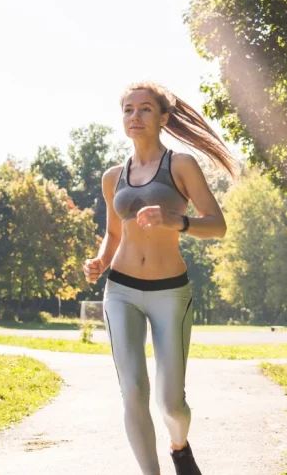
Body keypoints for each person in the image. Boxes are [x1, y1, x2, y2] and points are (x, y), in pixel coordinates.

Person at [84, 82, 234, 475]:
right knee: (132, 391)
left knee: (171, 404)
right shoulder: (112, 177)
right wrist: (100, 261)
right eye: (128, 110)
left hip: (170, 292)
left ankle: (179, 446)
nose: (135, 116)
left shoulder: (181, 165)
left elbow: (217, 226)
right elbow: (113, 235)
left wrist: (177, 221)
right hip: (121, 290)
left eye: (145, 109)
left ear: (163, 118)